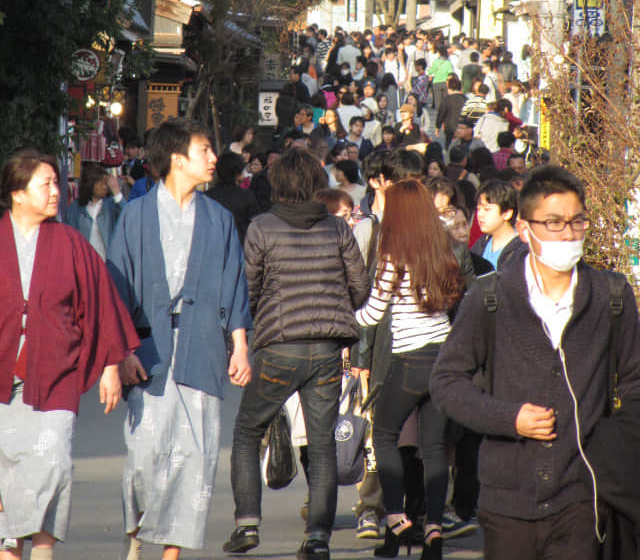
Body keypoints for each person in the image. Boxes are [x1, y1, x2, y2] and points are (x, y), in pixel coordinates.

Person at [430, 164, 640, 560]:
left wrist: (609, 447)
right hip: (507, 498)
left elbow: (635, 382)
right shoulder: (491, 296)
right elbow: (447, 380)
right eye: (554, 223)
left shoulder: (610, 295)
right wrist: (508, 418)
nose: (568, 233)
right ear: (526, 229)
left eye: (577, 221)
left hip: (585, 493)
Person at [107, 119, 252, 560]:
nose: (213, 158)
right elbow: (117, 288)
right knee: (144, 457)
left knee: (196, 456)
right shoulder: (134, 215)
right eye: (204, 150)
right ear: (177, 159)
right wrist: (122, 352)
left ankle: (172, 553)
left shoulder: (219, 219)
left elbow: (234, 282)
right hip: (148, 350)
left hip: (202, 346)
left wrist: (240, 344)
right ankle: (138, 536)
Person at [224, 150, 369, 560]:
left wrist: (247, 335)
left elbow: (247, 290)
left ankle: (248, 524)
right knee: (321, 443)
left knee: (248, 431)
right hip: (326, 350)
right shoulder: (337, 230)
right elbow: (359, 288)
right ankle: (318, 537)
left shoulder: (261, 228)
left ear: (278, 184)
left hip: (278, 348)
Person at [0, 149, 138, 560]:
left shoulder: (69, 243)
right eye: (45, 184)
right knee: (6, 472)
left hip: (55, 374)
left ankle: (41, 552)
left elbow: (101, 305)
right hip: (3, 379)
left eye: (57, 183)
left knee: (53, 463)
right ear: (17, 194)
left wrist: (112, 365)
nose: (56, 192)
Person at [356, 180, 464, 560]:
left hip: (408, 360)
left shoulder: (392, 255)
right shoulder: (442, 251)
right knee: (434, 448)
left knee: (384, 436)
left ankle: (398, 520)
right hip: (443, 359)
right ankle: (433, 528)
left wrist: (340, 320)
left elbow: (372, 313)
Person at [64, 161, 123, 259]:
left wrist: (117, 193)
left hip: (108, 263)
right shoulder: (75, 208)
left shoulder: (111, 205)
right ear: (90, 184)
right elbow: (68, 237)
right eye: (101, 183)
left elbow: (129, 217)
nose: (106, 186)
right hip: (84, 262)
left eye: (106, 183)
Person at [206, 152, 260, 244]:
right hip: (240, 247)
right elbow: (255, 228)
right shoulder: (246, 197)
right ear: (238, 173)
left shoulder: (206, 197)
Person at [472, 178, 523, 270]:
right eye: (478, 209)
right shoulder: (481, 244)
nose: (480, 214)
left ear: (507, 213)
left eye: (487, 209)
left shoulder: (521, 250)